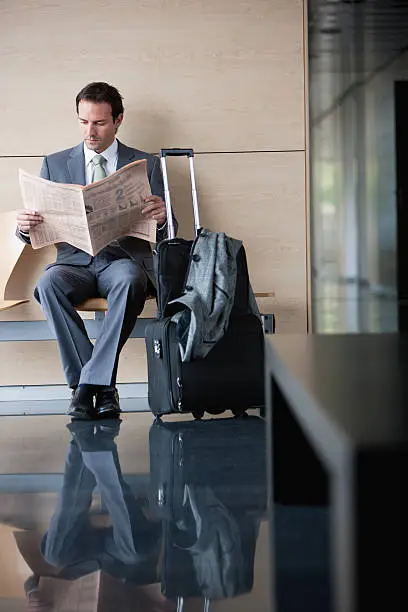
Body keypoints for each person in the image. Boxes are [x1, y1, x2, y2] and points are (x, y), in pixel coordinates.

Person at [16, 82, 176, 420]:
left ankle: (82, 388)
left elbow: (169, 234)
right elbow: (37, 233)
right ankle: (99, 387)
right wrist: (25, 227)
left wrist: (162, 219)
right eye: (83, 121)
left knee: (130, 280)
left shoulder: (146, 164)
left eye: (100, 123)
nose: (90, 131)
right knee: (47, 285)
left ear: (118, 120)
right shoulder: (55, 163)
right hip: (73, 263)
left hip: (122, 261)